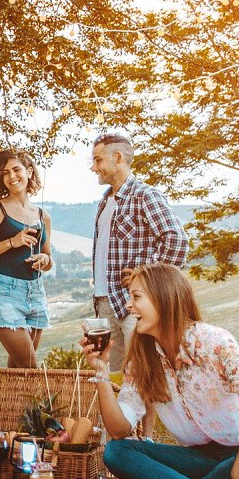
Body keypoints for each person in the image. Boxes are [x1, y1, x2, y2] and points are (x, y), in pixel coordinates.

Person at [82, 264, 239, 479]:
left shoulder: (214, 342)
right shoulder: (143, 358)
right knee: (116, 452)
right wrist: (102, 371)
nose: (129, 305)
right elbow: (119, 429)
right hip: (199, 458)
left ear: (164, 298)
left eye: (136, 297)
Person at [89, 133, 187, 372]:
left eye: (98, 160)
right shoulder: (104, 202)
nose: (93, 167)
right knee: (115, 378)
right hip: (104, 303)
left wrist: (148, 278)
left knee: (145, 373)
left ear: (118, 157)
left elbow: (177, 240)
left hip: (134, 305)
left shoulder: (144, 195)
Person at [0, 148, 54, 368]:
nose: (11, 176)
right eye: (5, 173)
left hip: (35, 292)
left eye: (16, 170)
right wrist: (12, 242)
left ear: (29, 172)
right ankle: (38, 393)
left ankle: (8, 393)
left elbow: (48, 259)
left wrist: (45, 260)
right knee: (30, 364)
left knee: (19, 367)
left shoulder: (43, 216)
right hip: (4, 292)